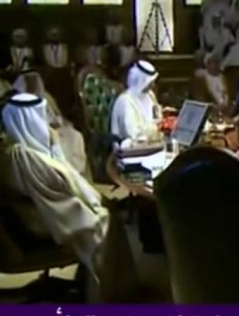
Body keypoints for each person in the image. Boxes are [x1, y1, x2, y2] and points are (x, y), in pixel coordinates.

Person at [0, 93, 106, 279]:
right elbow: (62, 190)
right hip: (41, 222)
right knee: (107, 226)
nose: (46, 125)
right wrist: (97, 211)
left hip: (40, 213)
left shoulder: (17, 149)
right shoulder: (24, 157)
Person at [11, 70, 88, 176]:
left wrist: (58, 122)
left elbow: (56, 115)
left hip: (52, 131)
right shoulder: (17, 103)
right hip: (36, 137)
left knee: (75, 136)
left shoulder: (45, 97)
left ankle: (75, 172)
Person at [110, 60, 161, 146]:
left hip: (151, 144)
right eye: (150, 82)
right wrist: (156, 127)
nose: (153, 85)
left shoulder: (150, 95)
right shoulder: (125, 102)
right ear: (141, 81)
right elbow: (133, 134)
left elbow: (157, 116)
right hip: (130, 148)